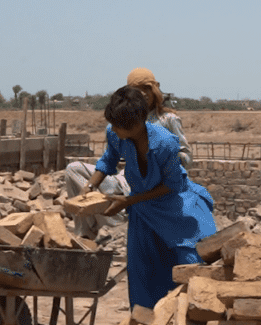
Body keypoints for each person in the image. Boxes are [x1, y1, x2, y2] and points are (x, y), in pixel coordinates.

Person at [80, 85, 215, 309]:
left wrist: (128, 201)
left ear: (134, 125)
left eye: (117, 125)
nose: (112, 129)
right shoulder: (115, 134)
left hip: (175, 207)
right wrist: (91, 184)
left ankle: (192, 322)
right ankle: (145, 324)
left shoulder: (165, 143)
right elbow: (108, 159)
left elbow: (173, 185)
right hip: (143, 210)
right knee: (142, 270)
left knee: (191, 264)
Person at [63, 67, 192, 238]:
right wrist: (90, 186)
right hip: (127, 177)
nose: (144, 94)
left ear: (154, 89)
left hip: (159, 182)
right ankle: (86, 233)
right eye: (138, 90)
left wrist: (164, 161)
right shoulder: (119, 123)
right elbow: (109, 159)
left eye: (147, 88)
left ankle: (129, 215)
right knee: (73, 169)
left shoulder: (167, 121)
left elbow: (186, 157)